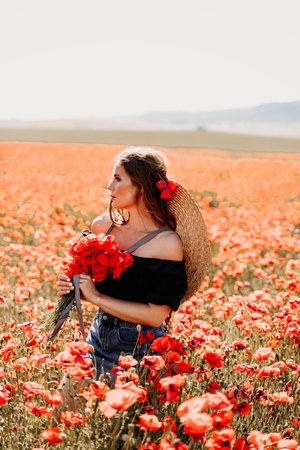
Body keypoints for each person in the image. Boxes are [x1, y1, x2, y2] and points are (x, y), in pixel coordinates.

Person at [56, 147, 210, 384]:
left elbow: (155, 316)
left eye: (118, 179)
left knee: (122, 419)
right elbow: (97, 287)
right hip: (98, 335)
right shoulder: (102, 228)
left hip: (142, 349)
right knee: (65, 413)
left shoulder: (166, 244)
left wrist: (95, 298)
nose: (110, 187)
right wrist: (75, 287)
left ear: (140, 187)